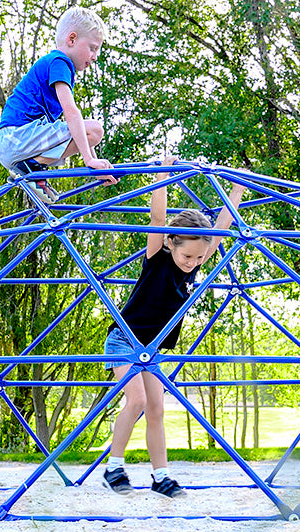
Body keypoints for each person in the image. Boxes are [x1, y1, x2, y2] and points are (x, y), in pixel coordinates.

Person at [102, 161, 245, 498]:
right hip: (124, 340)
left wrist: (236, 189)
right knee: (136, 400)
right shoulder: (157, 257)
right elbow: (156, 219)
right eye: (188, 256)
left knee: (156, 409)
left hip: (150, 348)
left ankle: (160, 476)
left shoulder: (194, 264)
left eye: (198, 258)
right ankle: (113, 467)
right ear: (171, 244)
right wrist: (162, 177)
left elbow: (222, 229)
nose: (193, 263)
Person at [0, 6, 116, 193]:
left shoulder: (57, 65)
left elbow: (78, 130)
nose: (95, 57)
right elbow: (71, 113)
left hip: (12, 142)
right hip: (16, 136)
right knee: (95, 130)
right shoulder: (60, 63)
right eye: (92, 48)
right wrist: (89, 160)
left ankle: (34, 167)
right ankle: (32, 166)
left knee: (90, 133)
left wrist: (95, 167)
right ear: (72, 39)